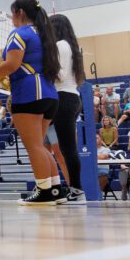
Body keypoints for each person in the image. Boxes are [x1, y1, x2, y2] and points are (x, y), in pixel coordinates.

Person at [0, 0, 61, 205]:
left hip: (29, 94)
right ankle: (56, 190)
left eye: (12, 13)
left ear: (19, 13)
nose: (11, 18)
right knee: (40, 146)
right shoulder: (44, 34)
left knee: (34, 147)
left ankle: (44, 192)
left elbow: (11, 65)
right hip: (49, 94)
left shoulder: (18, 33)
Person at [48, 14, 85, 202]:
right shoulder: (72, 46)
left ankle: (76, 190)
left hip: (63, 100)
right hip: (70, 99)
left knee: (67, 149)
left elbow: (60, 75)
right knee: (57, 147)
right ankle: (56, 188)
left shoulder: (60, 45)